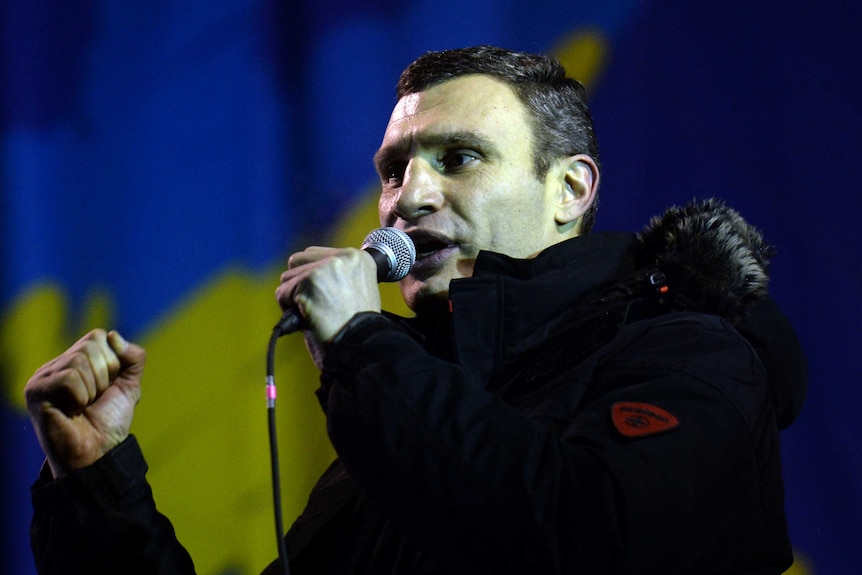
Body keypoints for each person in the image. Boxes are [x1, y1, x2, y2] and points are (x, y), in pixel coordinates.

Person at [25, 46, 807, 574]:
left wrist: (365, 346)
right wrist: (96, 483)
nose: (408, 198)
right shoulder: (408, 408)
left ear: (570, 189)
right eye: (394, 170)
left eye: (458, 158)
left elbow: (582, 537)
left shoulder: (695, 356)